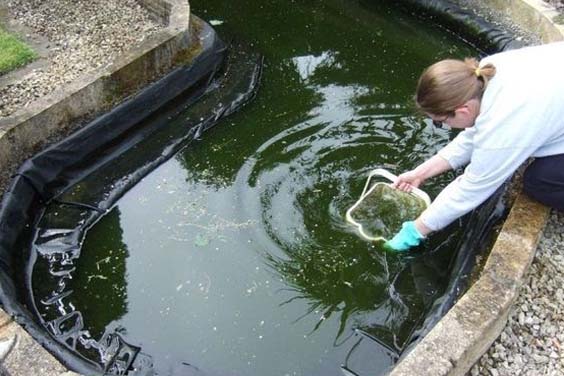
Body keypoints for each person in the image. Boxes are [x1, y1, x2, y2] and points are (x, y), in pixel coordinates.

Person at [385, 41, 564, 251]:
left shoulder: (505, 124)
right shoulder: (484, 73)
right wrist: (421, 173)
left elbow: (472, 188)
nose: (443, 126)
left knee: (541, 180)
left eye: (440, 121)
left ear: (463, 110)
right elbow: (475, 134)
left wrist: (415, 230)